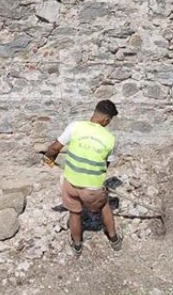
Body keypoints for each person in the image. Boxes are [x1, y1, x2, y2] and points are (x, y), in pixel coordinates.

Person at [43, 100, 121, 256]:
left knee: (75, 212)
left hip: (70, 184)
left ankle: (77, 245)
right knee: (104, 205)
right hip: (92, 189)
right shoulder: (110, 139)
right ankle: (114, 239)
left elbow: (54, 148)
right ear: (106, 120)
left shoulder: (75, 126)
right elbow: (105, 165)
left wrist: (49, 158)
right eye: (109, 121)